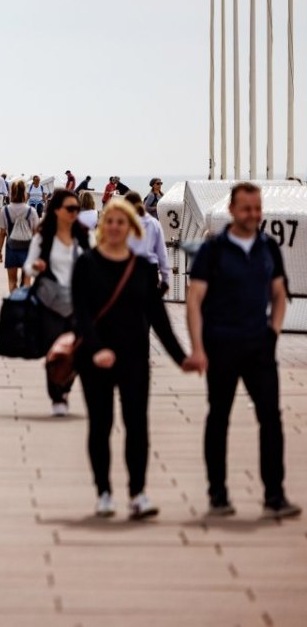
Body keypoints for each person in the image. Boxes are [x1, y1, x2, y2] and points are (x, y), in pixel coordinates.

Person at [184, 182, 301, 519]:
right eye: (247, 208)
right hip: (221, 344)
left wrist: (273, 332)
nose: (253, 214)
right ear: (232, 210)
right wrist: (198, 348)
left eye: (257, 208)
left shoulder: (268, 247)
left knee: (271, 419)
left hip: (259, 346)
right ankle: (217, 495)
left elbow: (279, 292)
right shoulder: (213, 251)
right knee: (219, 417)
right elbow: (194, 300)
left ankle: (274, 495)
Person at [72, 199, 191, 519]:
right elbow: (80, 314)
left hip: (134, 357)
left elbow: (159, 318)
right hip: (95, 358)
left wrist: (181, 358)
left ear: (132, 228)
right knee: (101, 424)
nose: (114, 226)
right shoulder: (86, 264)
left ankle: (138, 493)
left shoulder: (141, 268)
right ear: (102, 227)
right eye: (109, 221)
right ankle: (104, 493)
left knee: (137, 425)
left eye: (121, 222)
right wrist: (96, 349)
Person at [24, 190, 90, 416]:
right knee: (54, 351)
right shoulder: (43, 237)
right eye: (70, 208)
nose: (74, 213)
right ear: (57, 211)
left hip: (78, 303)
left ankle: (65, 386)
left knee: (78, 351)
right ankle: (57, 396)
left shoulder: (84, 236)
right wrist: (36, 267)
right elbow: (28, 266)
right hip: (50, 302)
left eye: (77, 209)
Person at [0, 180, 40, 292]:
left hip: (11, 248)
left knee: (12, 281)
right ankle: (24, 300)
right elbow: (36, 234)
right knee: (26, 281)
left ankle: (14, 300)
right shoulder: (31, 211)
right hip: (28, 249)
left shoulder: (5, 210)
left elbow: (2, 233)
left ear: (12, 192)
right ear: (24, 192)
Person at [123, 191, 171, 292]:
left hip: (127, 268)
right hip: (150, 269)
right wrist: (165, 279)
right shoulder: (154, 223)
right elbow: (162, 253)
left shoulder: (123, 223)